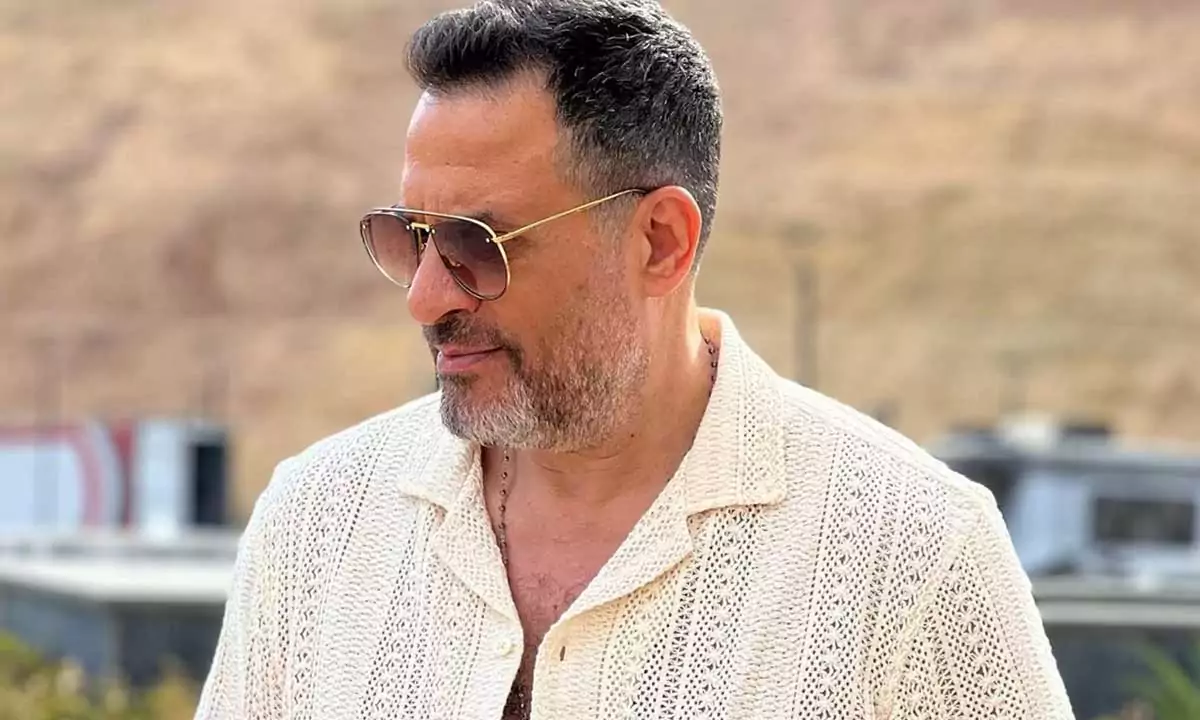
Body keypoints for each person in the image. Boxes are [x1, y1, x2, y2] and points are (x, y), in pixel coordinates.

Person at [196, 1, 1076, 718]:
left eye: (476, 243)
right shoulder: (317, 524)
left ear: (660, 241)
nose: (426, 298)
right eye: (413, 237)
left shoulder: (913, 551)